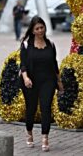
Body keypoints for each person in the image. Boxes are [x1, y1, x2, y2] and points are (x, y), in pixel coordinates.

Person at [20, 16, 63, 152]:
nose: (40, 31)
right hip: (31, 81)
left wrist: (59, 82)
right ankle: (29, 132)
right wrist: (26, 78)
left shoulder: (50, 44)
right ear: (32, 30)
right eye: (37, 28)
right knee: (31, 109)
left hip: (48, 81)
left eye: (42, 27)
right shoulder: (26, 44)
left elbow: (54, 64)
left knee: (46, 108)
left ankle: (45, 137)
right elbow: (23, 64)